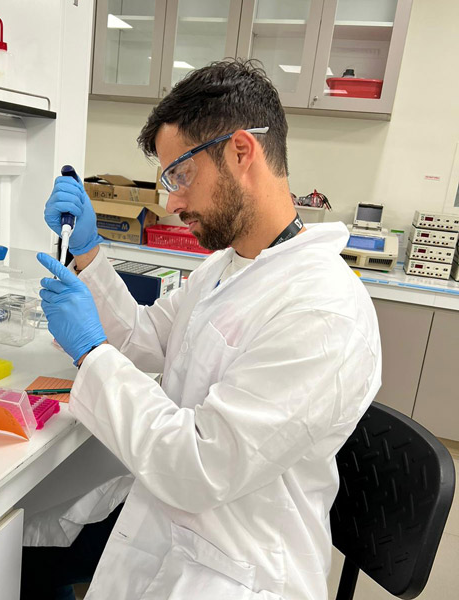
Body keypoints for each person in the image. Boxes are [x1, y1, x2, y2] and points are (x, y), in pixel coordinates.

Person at [22, 59, 381, 600]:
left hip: (239, 569)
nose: (171, 202)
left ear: (241, 152)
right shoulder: (228, 266)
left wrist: (91, 352)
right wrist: (90, 254)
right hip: (173, 530)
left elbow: (199, 465)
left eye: (181, 175)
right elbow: (144, 342)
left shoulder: (323, 311)